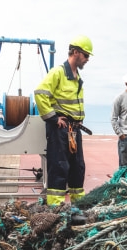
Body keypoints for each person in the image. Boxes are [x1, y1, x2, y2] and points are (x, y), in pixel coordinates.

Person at [34, 35, 93, 206]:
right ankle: (56, 208)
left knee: (77, 168)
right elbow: (40, 93)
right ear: (75, 52)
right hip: (60, 130)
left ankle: (78, 205)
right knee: (59, 167)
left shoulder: (77, 77)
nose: (87, 59)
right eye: (86, 55)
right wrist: (52, 118)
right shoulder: (58, 72)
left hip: (74, 129)